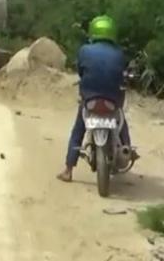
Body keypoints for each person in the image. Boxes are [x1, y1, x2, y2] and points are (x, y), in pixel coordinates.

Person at [56, 15, 135, 182]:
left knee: (78, 130)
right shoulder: (119, 53)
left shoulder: (85, 50)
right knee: (121, 121)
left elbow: (80, 71)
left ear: (94, 31)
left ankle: (68, 170)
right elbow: (123, 76)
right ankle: (128, 150)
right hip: (113, 101)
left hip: (90, 100)